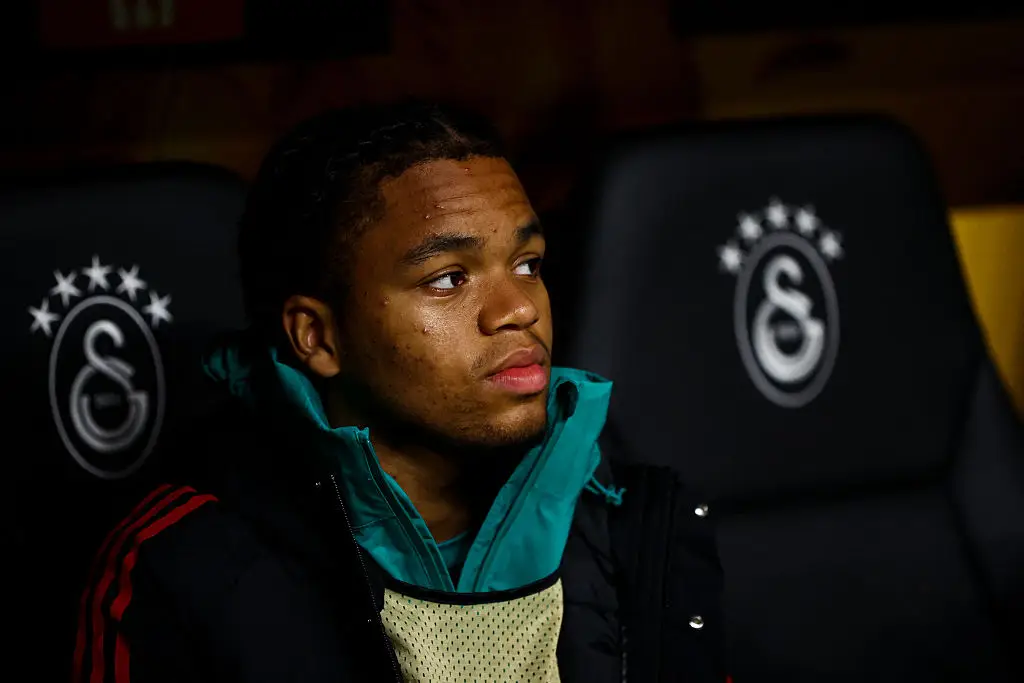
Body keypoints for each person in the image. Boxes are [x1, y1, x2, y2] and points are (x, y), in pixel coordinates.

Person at [73, 102, 726, 683]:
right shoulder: (179, 566)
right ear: (318, 337)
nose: (518, 309)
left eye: (528, 264)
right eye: (448, 278)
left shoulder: (632, 520)